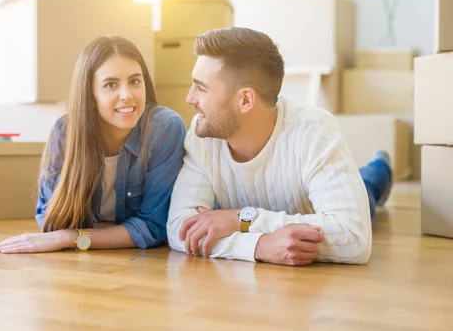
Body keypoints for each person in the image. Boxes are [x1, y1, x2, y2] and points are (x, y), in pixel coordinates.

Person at [166, 27, 392, 266]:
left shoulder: (315, 130)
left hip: (321, 205)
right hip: (308, 217)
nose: (189, 98)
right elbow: (180, 229)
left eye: (201, 88)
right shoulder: (203, 134)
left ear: (245, 100)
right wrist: (260, 246)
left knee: (368, 186)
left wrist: (241, 219)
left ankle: (381, 165)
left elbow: (353, 237)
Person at [0, 36, 186, 254]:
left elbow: (153, 227)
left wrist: (71, 237)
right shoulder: (65, 132)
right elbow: (50, 219)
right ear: (89, 93)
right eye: (111, 85)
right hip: (80, 266)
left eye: (135, 81)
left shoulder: (165, 128)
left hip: (148, 265)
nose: (127, 95)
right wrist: (116, 232)